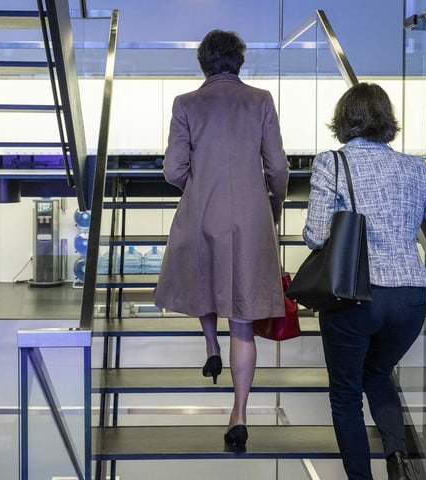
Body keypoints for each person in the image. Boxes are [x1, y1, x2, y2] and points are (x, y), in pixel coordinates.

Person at [303, 83, 426, 480]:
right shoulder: (414, 166)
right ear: (386, 120)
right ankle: (398, 460)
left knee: (345, 395)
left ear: (343, 120)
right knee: (377, 374)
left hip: (355, 295)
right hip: (410, 299)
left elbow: (317, 234)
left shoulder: (332, 162)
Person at [154, 29, 289, 452]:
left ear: (203, 64)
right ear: (239, 61)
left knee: (203, 279)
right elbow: (279, 166)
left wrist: (198, 183)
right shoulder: (261, 100)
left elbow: (173, 169)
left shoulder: (186, 104)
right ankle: (239, 414)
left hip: (202, 211)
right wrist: (274, 205)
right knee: (243, 321)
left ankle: (211, 344)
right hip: (251, 218)